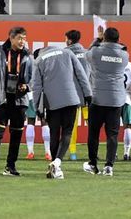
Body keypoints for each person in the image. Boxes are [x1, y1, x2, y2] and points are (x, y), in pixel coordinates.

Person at [31, 40, 92, 180]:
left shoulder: (39, 60)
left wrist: (37, 108)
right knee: (67, 132)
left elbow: (37, 87)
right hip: (71, 99)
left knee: (54, 134)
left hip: (52, 103)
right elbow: (81, 75)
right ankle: (57, 163)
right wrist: (88, 94)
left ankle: (56, 166)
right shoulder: (68, 52)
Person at [0, 27, 31, 176]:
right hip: (2, 100)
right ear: (11, 38)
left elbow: (34, 78)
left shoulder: (28, 57)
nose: (22, 41)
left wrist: (27, 86)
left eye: (24, 38)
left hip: (19, 101)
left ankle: (10, 167)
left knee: (16, 135)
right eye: (19, 38)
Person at [84, 27, 129, 177]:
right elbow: (118, 47)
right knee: (112, 135)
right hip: (116, 100)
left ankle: (92, 164)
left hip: (97, 99)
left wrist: (97, 39)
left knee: (93, 133)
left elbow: (87, 54)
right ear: (118, 39)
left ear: (104, 38)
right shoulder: (124, 54)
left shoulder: (96, 52)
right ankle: (109, 166)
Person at [65, 29, 90, 161]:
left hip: (72, 95)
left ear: (69, 40)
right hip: (87, 95)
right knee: (92, 124)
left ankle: (73, 153)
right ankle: (93, 152)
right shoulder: (87, 53)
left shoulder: (66, 53)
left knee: (72, 125)